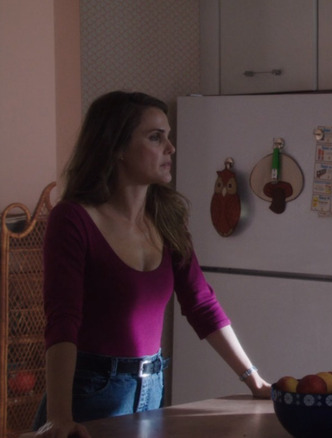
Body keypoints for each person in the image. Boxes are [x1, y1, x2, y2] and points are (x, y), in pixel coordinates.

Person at [32, 91, 272, 438]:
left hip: (152, 386)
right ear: (116, 147)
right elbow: (62, 320)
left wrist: (255, 380)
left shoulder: (167, 217)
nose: (170, 149)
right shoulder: (72, 219)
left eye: (168, 137)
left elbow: (201, 303)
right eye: (156, 137)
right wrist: (58, 417)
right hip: (89, 391)